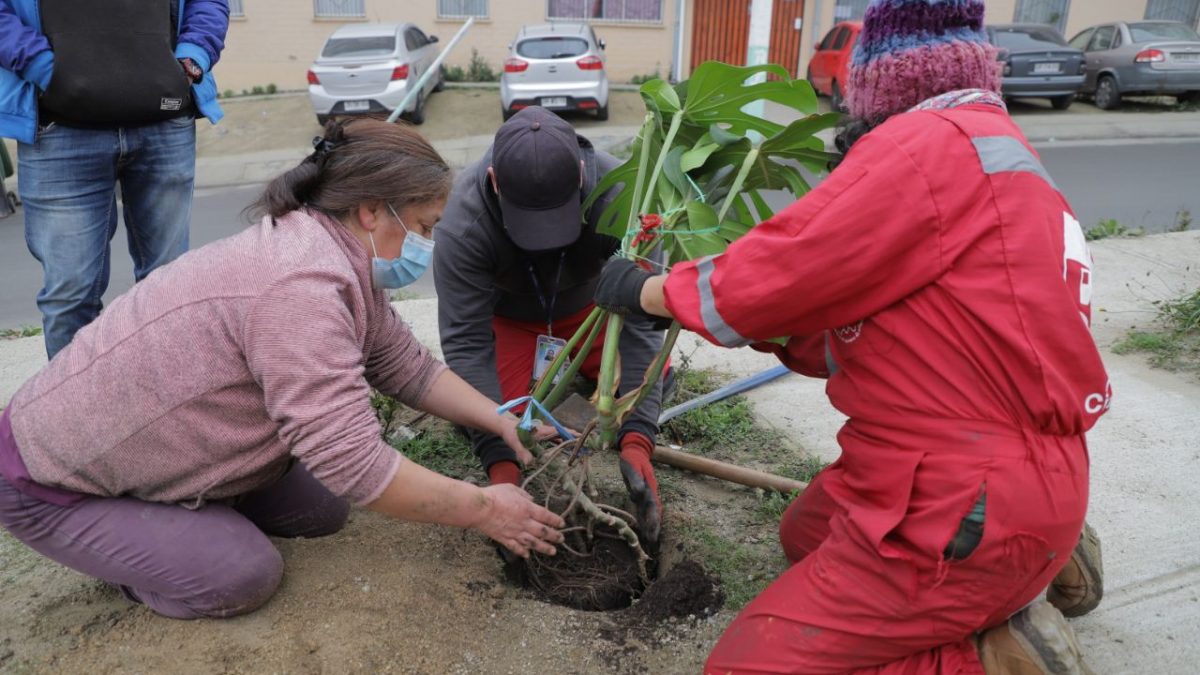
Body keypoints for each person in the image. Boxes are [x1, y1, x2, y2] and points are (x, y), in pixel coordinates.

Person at [594, 0, 1108, 672]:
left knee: (744, 666)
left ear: (880, 88)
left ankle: (989, 652)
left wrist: (651, 290)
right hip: (1021, 474)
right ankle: (1029, 561)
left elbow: (785, 264)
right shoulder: (1001, 152)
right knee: (803, 530)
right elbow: (858, 332)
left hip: (963, 495)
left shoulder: (924, 148)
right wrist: (764, 333)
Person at [0, 119, 565, 620]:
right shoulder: (299, 285)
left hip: (156, 444)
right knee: (239, 576)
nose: (426, 243)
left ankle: (183, 503)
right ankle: (141, 554)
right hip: (47, 478)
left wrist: (498, 419)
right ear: (370, 210)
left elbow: (405, 366)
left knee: (319, 510)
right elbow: (355, 465)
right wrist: (486, 510)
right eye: (421, 225)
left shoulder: (335, 256)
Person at [434, 106, 668, 543]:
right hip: (515, 323)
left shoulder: (623, 197)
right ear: (495, 182)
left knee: (652, 374)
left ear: (581, 174)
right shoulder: (464, 225)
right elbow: (467, 343)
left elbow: (643, 322)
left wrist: (638, 439)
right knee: (487, 409)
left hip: (599, 315)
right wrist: (500, 468)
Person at [0, 0, 229, 358]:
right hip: (58, 125)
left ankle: (164, 408)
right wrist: (44, 67)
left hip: (164, 119)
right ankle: (77, 412)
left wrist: (193, 56)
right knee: (70, 296)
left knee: (167, 286)